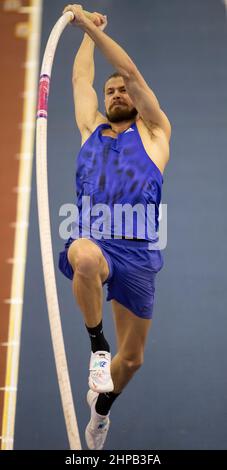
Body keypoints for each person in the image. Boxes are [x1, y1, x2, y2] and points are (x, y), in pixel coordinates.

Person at [59, 4, 171, 450]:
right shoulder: (90, 129)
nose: (116, 93)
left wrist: (88, 24)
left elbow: (127, 68)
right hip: (97, 241)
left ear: (137, 97)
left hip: (138, 251)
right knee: (83, 254)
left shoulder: (156, 132)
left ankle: (101, 410)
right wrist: (87, 35)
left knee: (134, 360)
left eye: (123, 90)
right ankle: (96, 345)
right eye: (111, 91)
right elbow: (79, 81)